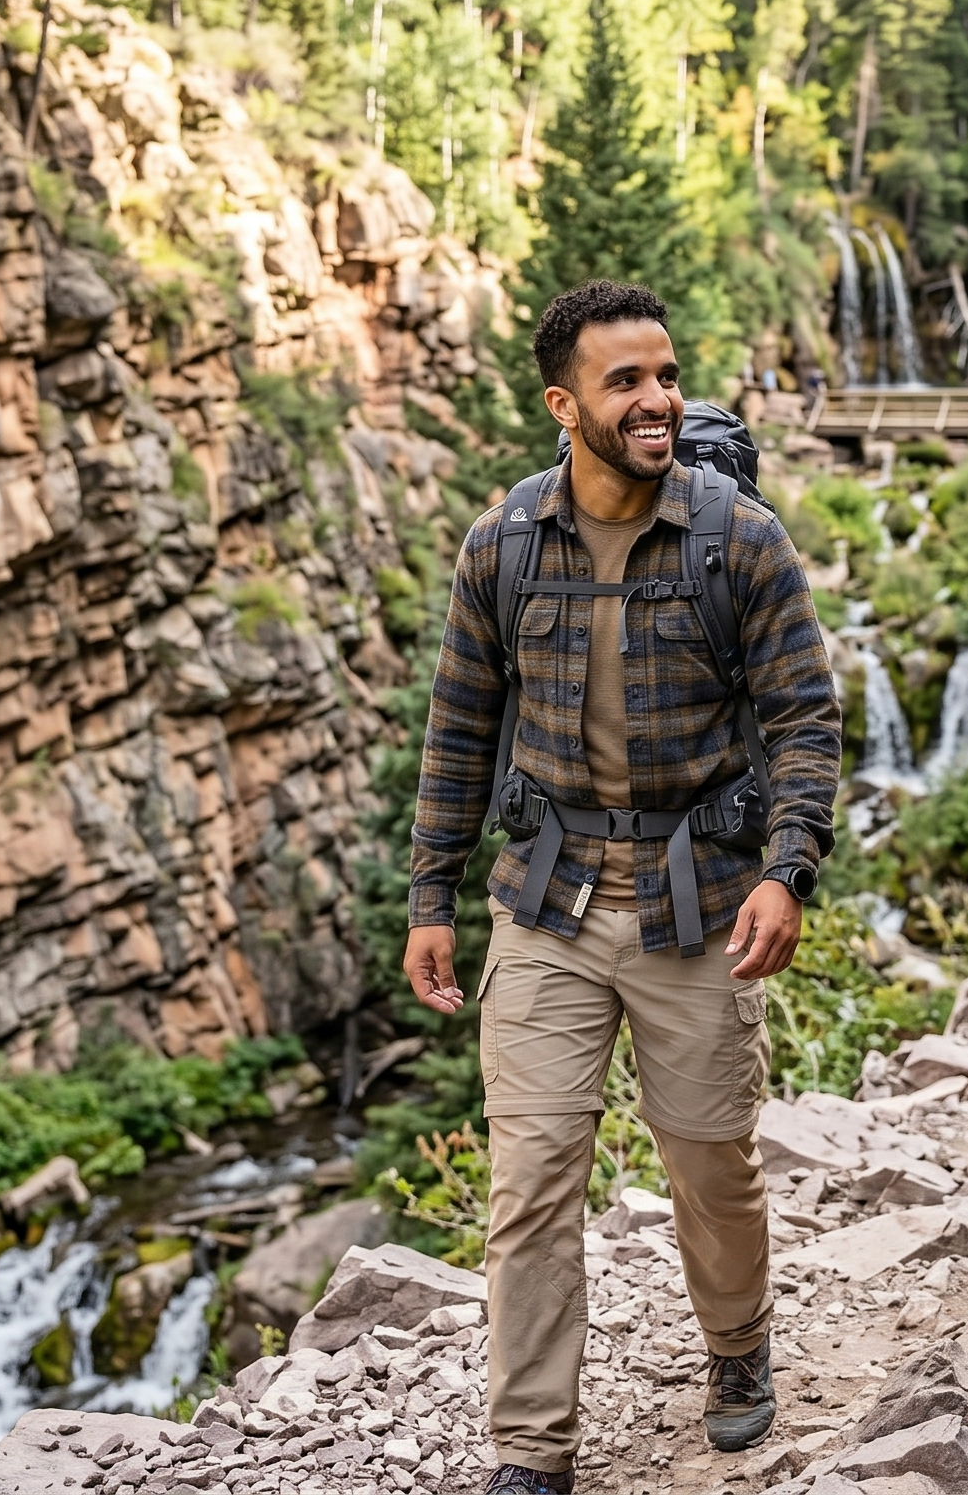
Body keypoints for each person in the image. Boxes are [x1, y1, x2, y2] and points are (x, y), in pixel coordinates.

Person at [405, 280, 843, 1495]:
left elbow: (805, 720)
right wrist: (430, 900)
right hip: (543, 901)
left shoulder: (736, 539)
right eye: (625, 383)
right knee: (531, 1180)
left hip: (696, 896)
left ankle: (738, 1350)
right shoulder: (501, 546)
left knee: (710, 1162)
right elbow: (459, 728)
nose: (658, 401)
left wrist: (789, 870)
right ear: (563, 404)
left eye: (666, 376)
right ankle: (530, 1451)